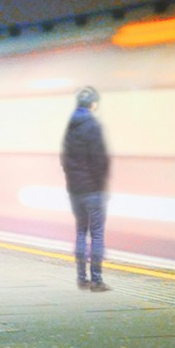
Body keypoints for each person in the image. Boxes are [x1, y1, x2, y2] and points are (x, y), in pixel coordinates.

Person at [61, 87, 111, 291]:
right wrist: (100, 183)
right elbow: (100, 160)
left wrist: (72, 179)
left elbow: (64, 158)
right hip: (93, 190)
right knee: (97, 234)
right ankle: (96, 280)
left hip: (75, 189)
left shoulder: (70, 127)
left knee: (81, 232)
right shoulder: (93, 125)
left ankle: (82, 278)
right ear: (93, 103)